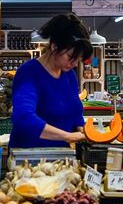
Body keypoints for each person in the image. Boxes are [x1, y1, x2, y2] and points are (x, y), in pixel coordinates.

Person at [9, 13, 93, 148]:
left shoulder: (69, 74)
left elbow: (75, 115)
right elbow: (23, 118)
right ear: (54, 46)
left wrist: (84, 132)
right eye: (71, 56)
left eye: (79, 59)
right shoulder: (29, 73)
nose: (75, 64)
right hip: (29, 158)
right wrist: (68, 137)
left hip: (62, 158)